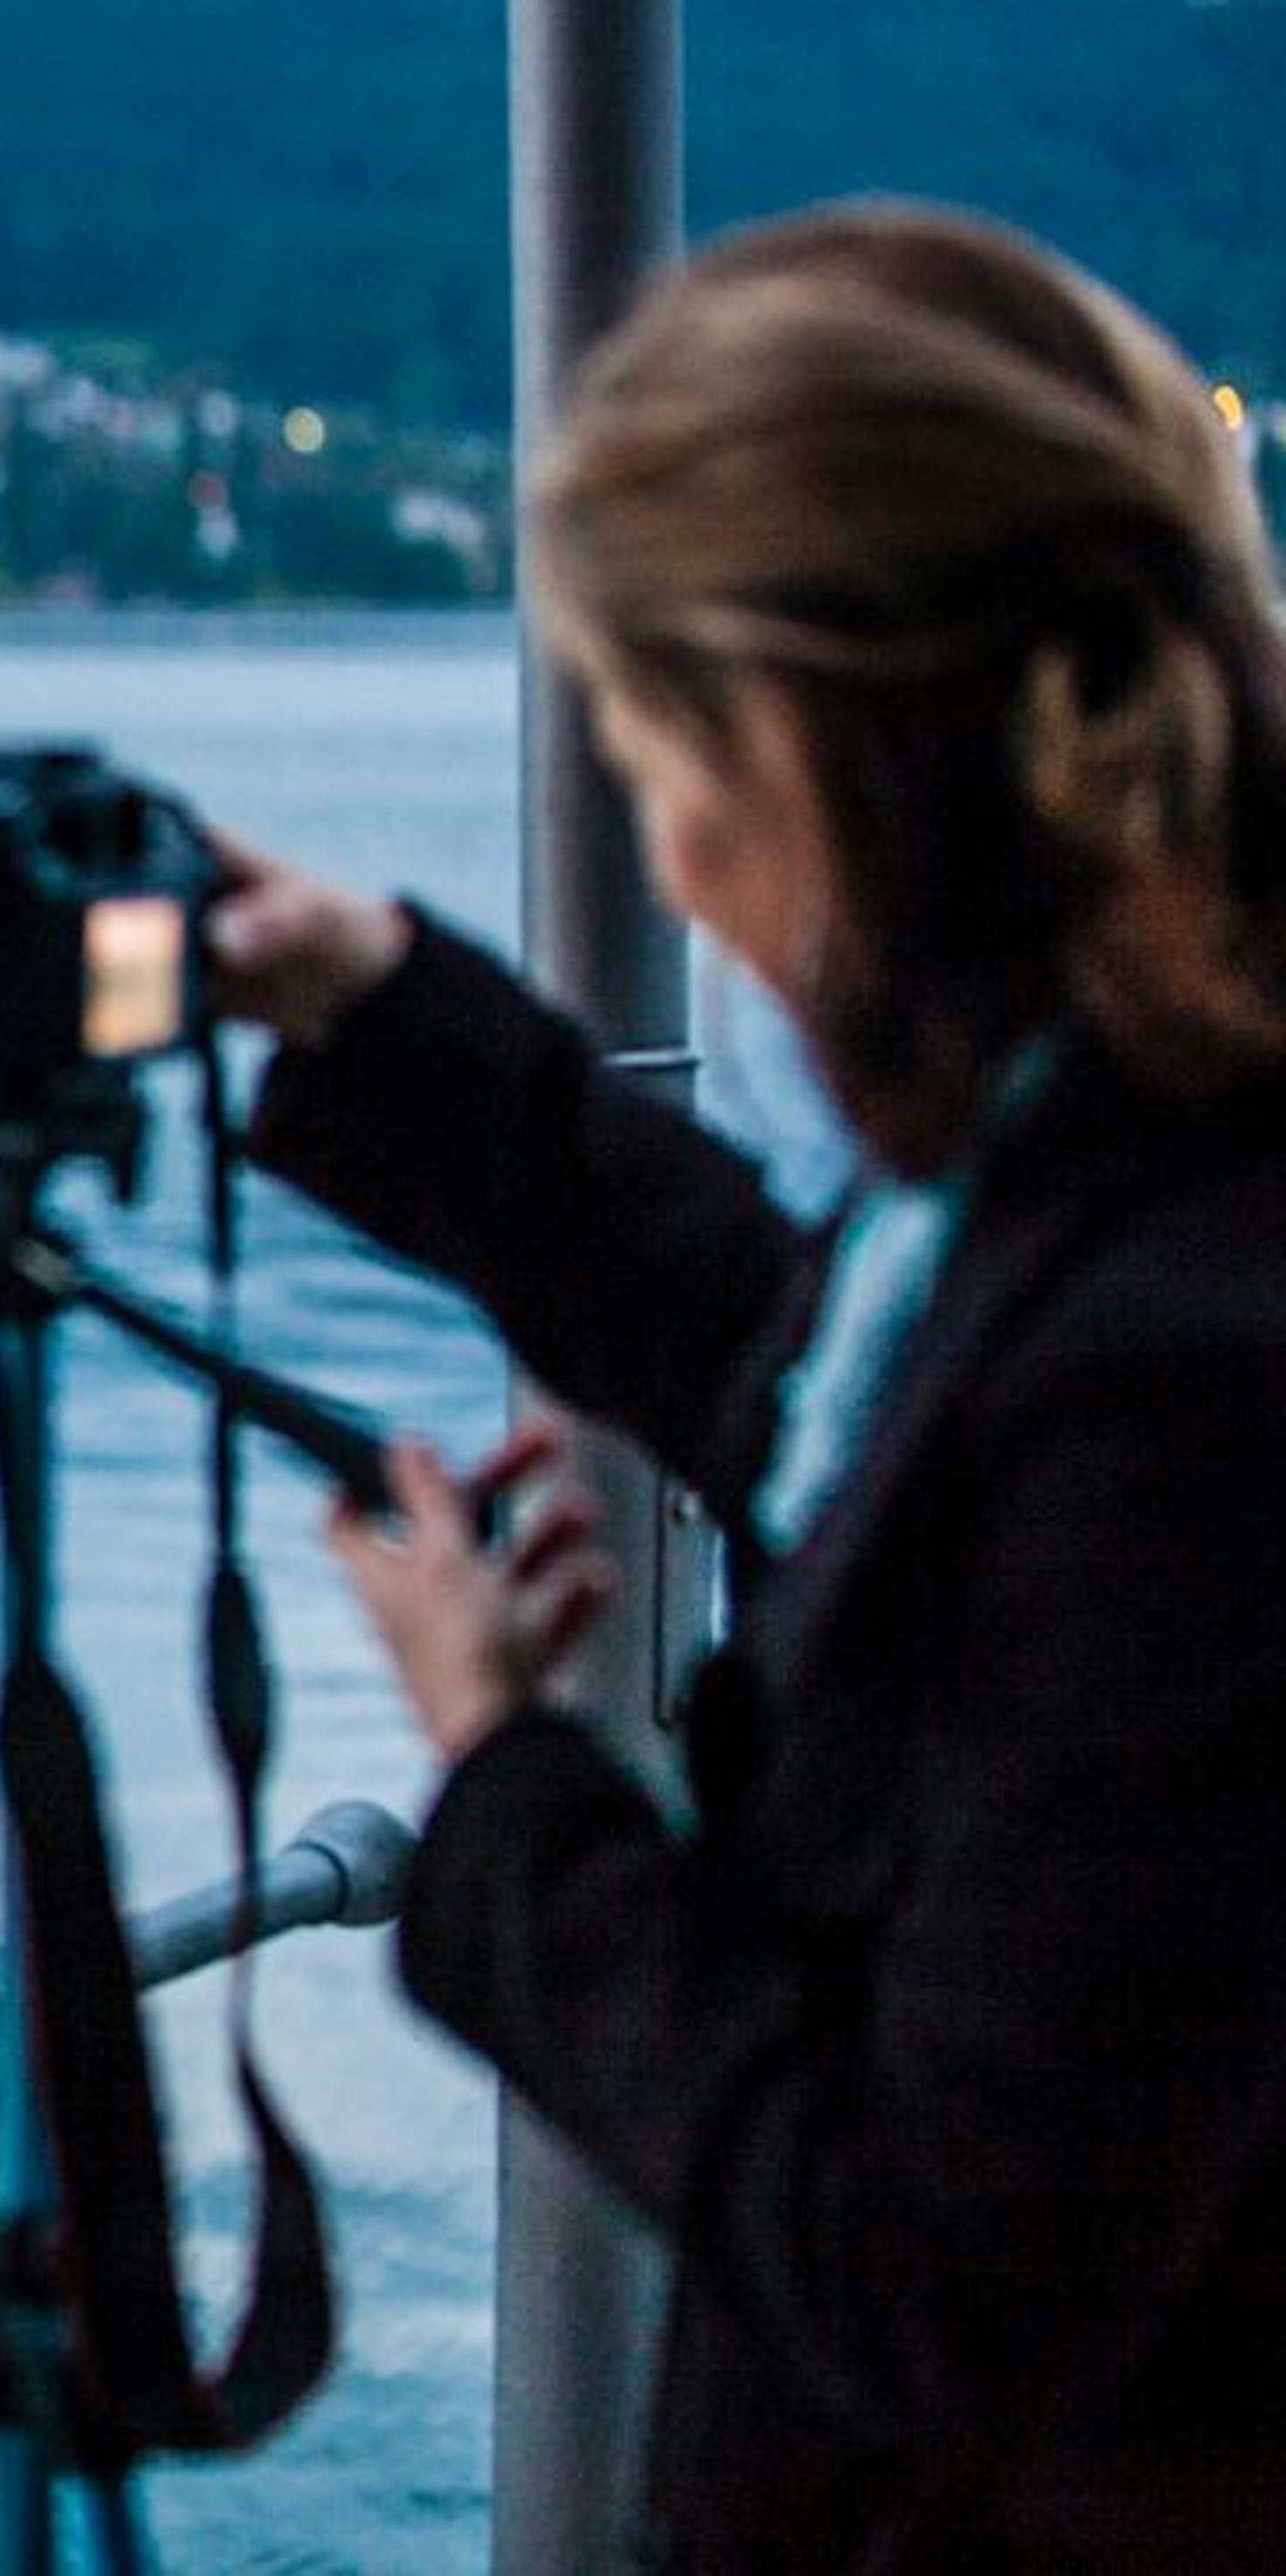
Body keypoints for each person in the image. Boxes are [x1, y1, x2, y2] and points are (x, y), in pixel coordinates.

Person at [208, 202, 1286, 2568]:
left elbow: (933, 2274)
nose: (676, 850)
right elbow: (856, 1395)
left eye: (663, 755)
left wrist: (511, 1788)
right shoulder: (1133, 1158)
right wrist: (381, 1010)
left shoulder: (1190, 1387)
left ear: (817, 755)